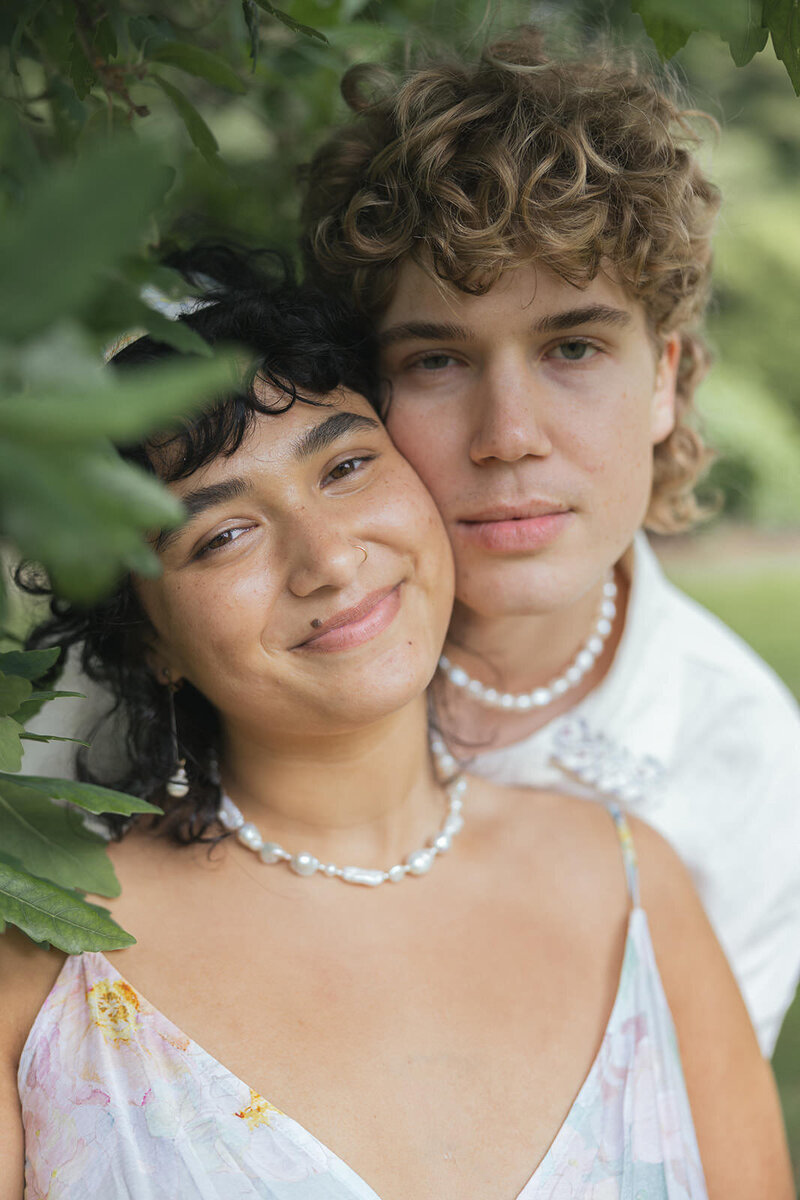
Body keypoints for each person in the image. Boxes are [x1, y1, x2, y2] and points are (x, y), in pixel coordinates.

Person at [0, 267, 792, 1198]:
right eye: (220, 536)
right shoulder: (48, 966)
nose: (329, 560)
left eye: (344, 468)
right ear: (148, 638)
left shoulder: (635, 890)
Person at [300, 26, 800, 1057]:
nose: (507, 437)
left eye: (571, 346)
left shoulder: (742, 755)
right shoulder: (232, 653)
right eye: (437, 360)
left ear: (663, 375)